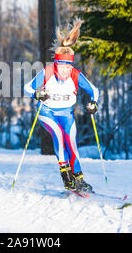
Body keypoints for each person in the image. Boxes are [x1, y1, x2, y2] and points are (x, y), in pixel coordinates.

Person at [24, 18, 99, 194]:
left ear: (71, 65)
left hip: (66, 113)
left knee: (71, 142)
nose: (64, 71)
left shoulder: (75, 74)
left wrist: (94, 103)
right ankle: (66, 176)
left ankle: (79, 179)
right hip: (47, 112)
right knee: (58, 136)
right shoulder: (48, 72)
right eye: (61, 67)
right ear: (56, 64)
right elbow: (27, 87)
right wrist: (36, 94)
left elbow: (94, 90)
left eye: (67, 67)